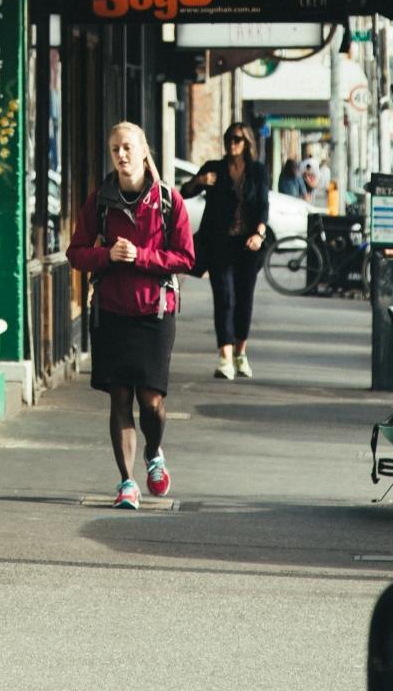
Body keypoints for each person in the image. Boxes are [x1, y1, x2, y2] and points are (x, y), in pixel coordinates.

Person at [66, 121, 194, 509]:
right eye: (115, 150)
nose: (121, 155)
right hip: (111, 312)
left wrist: (142, 256)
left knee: (151, 400)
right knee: (119, 396)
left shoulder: (170, 201)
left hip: (155, 313)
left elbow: (186, 258)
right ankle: (127, 482)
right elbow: (76, 252)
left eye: (127, 148)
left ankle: (154, 452)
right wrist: (106, 256)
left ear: (143, 152)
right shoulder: (100, 202)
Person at [192, 123, 273, 380]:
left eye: (237, 139)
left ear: (247, 142)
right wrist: (200, 181)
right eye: (229, 138)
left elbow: (263, 204)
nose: (232, 143)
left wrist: (259, 234)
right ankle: (224, 358)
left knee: (244, 300)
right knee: (224, 299)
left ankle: (240, 353)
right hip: (219, 244)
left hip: (248, 245)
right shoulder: (214, 168)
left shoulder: (257, 171)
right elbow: (184, 192)